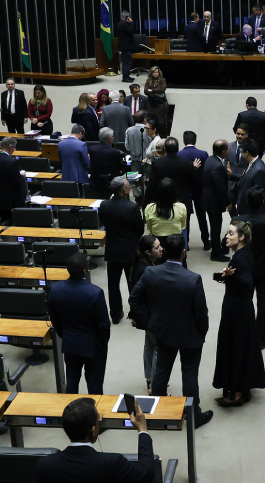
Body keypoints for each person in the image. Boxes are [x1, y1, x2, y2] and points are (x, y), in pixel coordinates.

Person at [128, 234, 213, 428]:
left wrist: (148, 322)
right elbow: (201, 313)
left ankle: (158, 413)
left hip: (163, 332)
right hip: (190, 335)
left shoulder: (151, 273)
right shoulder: (193, 279)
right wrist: (202, 332)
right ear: (184, 252)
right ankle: (194, 416)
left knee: (161, 372)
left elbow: (134, 298)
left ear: (164, 252)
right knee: (189, 375)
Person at [30, 397, 154, 483]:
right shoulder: (113, 463)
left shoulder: (45, 465)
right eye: (98, 418)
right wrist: (142, 430)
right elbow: (146, 474)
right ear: (94, 430)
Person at [212, 220, 265, 406]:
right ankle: (241, 387)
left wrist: (231, 276)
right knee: (241, 348)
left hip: (236, 312)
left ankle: (236, 392)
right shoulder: (242, 255)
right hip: (240, 309)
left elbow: (247, 285)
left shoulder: (240, 258)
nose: (227, 237)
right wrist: (224, 276)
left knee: (234, 348)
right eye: (227, 233)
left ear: (241, 237)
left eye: (231, 234)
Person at [47, 253, 110, 394]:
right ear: (85, 270)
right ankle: (94, 413)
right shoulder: (95, 293)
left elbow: (54, 317)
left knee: (72, 381)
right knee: (95, 385)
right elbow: (103, 324)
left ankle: (71, 413)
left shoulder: (56, 289)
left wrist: (64, 334)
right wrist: (103, 342)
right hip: (93, 346)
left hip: (70, 343)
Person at [236, 187, 265, 349]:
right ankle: (261, 337)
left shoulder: (238, 221)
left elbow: (229, 242)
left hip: (244, 268)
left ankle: (244, 334)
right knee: (263, 302)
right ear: (263, 202)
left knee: (244, 302)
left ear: (247, 202)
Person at [99, 176, 144, 324]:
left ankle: (115, 314)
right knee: (133, 284)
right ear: (124, 190)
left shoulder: (104, 205)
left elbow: (104, 223)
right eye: (129, 187)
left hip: (112, 250)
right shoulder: (132, 208)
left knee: (113, 285)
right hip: (129, 251)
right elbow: (140, 229)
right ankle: (136, 314)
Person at [132, 235, 164, 390]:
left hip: (145, 315)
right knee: (158, 347)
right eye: (157, 247)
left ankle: (150, 379)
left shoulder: (141, 265)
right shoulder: (147, 271)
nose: (161, 249)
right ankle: (156, 384)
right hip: (150, 315)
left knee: (150, 346)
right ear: (147, 252)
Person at [148, 137, 199, 227]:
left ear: (164, 149)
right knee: (183, 227)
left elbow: (151, 184)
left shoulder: (157, 163)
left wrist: (148, 203)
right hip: (183, 201)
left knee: (164, 226)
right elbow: (194, 183)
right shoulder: (187, 164)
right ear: (178, 148)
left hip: (162, 201)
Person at [177, 132, 210, 251]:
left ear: (184, 141)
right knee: (202, 217)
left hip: (185, 191)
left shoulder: (179, 155)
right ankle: (206, 242)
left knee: (185, 219)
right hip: (199, 190)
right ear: (195, 141)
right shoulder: (203, 154)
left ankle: (186, 244)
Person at [201, 140, 230, 262]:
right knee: (216, 226)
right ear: (224, 151)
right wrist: (228, 203)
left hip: (207, 198)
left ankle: (216, 247)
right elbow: (221, 188)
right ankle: (216, 253)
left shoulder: (210, 160)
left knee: (215, 225)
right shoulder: (218, 165)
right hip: (214, 201)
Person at [0, 137, 26, 222]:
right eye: (14, 147)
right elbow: (17, 181)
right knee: (15, 222)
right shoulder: (11, 162)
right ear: (10, 147)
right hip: (13, 201)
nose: (14, 149)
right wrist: (22, 176)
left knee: (4, 221)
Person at [231, 139, 265, 216]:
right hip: (245, 210)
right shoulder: (250, 164)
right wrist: (231, 174)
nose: (241, 154)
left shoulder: (259, 170)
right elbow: (246, 178)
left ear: (247, 153)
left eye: (242, 152)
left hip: (252, 213)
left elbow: (259, 196)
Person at [86, 127, 123, 196]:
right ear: (109, 139)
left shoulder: (92, 149)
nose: (113, 138)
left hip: (95, 182)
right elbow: (120, 167)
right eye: (113, 136)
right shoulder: (115, 152)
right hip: (110, 183)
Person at [144, 66, 170, 137]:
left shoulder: (162, 80)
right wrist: (155, 94)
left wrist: (152, 90)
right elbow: (146, 91)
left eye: (157, 72)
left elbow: (162, 90)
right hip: (152, 104)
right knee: (152, 122)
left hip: (160, 104)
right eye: (154, 72)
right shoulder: (148, 81)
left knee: (161, 123)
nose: (156, 74)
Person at [116, 10, 136, 82]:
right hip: (126, 46)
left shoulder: (121, 23)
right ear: (126, 17)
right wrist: (131, 23)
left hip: (125, 46)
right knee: (127, 62)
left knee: (126, 61)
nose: (130, 18)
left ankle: (126, 75)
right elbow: (130, 31)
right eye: (129, 17)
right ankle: (125, 77)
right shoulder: (123, 24)